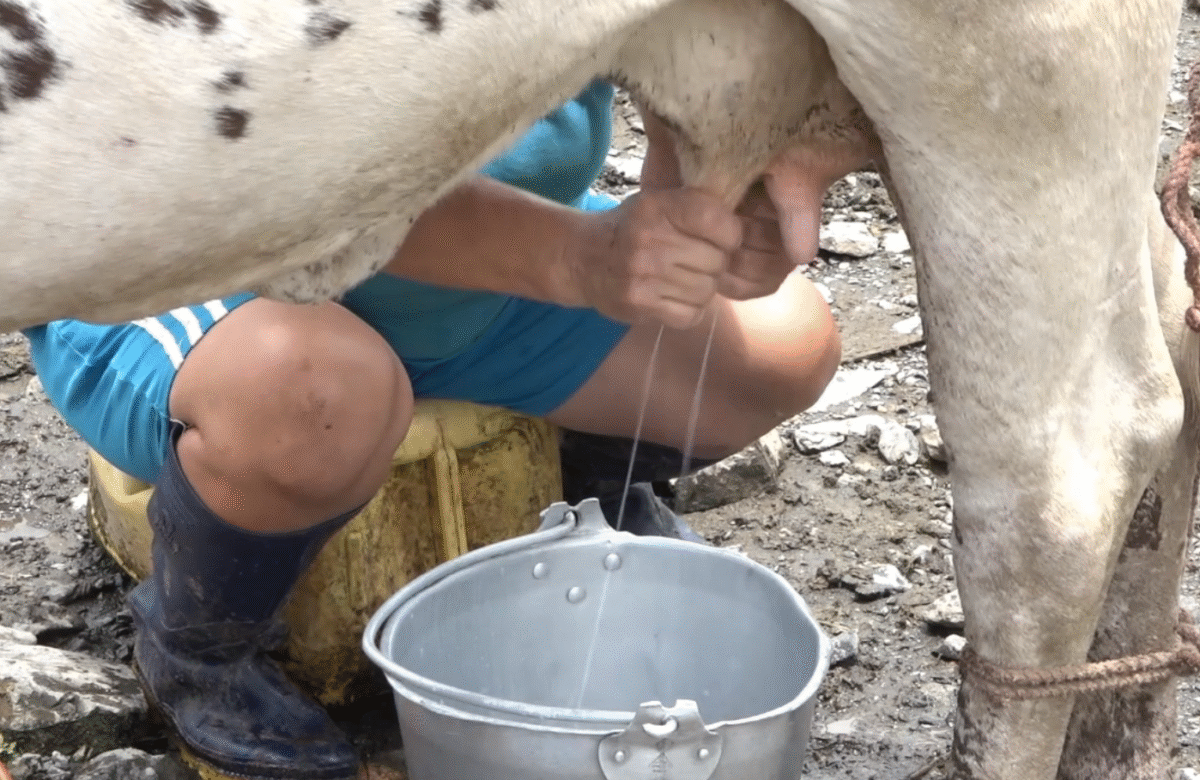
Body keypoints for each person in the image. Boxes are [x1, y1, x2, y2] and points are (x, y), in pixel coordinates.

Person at [23, 81, 843, 780]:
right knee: (320, 394)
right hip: (210, 273)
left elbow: (689, 47)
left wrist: (721, 177)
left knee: (780, 345)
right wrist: (586, 262)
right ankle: (198, 643)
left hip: (484, 285)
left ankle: (591, 485)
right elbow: (309, 198)